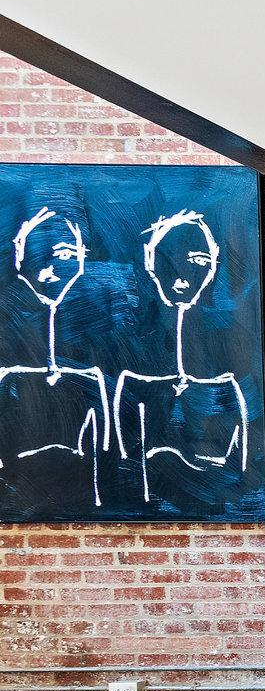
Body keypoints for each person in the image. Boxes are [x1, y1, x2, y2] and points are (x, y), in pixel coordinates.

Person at [112, 209, 249, 501]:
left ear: (212, 269)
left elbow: (240, 465)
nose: (182, 277)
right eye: (168, 259)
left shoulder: (229, 351)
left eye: (199, 261)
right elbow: (124, 456)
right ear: (151, 263)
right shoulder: (129, 352)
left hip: (216, 499)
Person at [1, 202, 112, 507]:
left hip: (74, 491)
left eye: (65, 255)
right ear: (21, 261)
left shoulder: (97, 339)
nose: (50, 270)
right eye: (38, 256)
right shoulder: (8, 332)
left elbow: (103, 446)